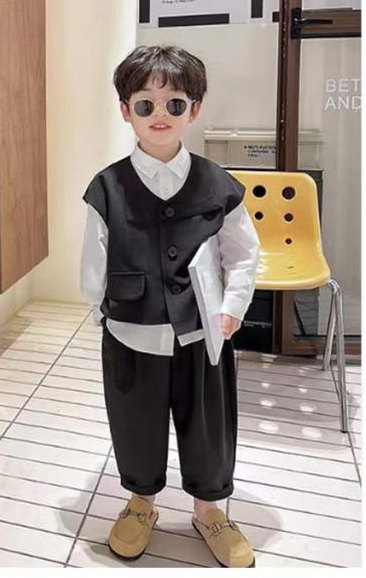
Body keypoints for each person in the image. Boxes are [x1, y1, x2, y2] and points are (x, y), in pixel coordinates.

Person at [80, 44, 261, 568]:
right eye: (145, 104)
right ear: (126, 111)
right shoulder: (107, 187)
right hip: (131, 331)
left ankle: (210, 509)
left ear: (194, 110)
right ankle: (141, 503)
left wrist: (233, 307)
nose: (160, 115)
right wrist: (104, 309)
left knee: (208, 423)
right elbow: (93, 260)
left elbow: (244, 253)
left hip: (204, 330)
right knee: (134, 420)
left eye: (174, 104)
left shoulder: (218, 184)